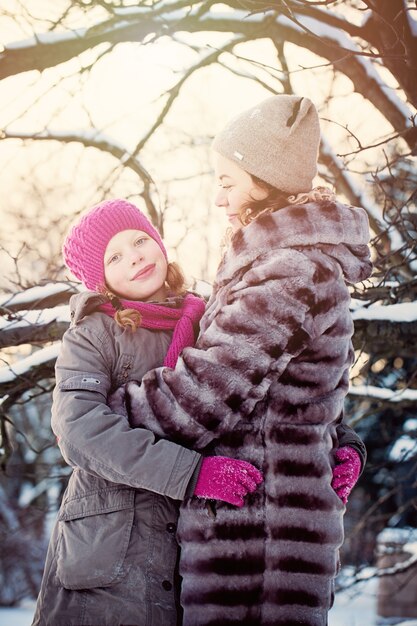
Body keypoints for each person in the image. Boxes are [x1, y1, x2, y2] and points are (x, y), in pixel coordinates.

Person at [108, 95, 372, 626]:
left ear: (262, 178)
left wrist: (108, 409)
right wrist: (342, 445)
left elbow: (205, 394)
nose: (218, 198)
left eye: (227, 181)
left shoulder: (288, 270)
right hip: (260, 517)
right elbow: (299, 393)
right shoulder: (283, 263)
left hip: (259, 542)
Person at [31, 199, 263, 626]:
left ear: (158, 242)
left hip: (201, 546)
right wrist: (190, 473)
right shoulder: (93, 333)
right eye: (114, 256)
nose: (135, 256)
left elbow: (265, 377)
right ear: (100, 280)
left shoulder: (213, 319)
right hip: (112, 549)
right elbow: (79, 429)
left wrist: (339, 445)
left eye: (139, 240)